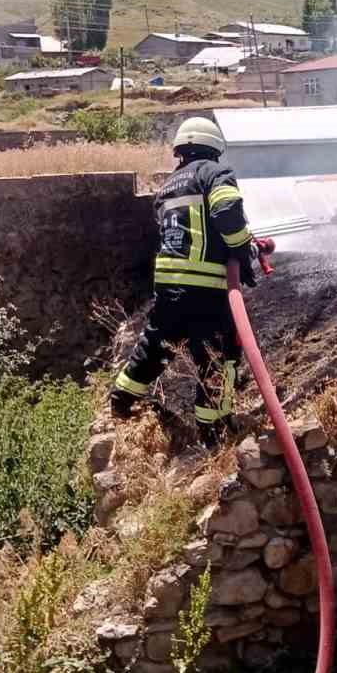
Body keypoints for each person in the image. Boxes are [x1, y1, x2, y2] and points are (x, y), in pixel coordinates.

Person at [111, 116, 256, 444]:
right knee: (217, 357)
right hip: (206, 288)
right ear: (215, 148)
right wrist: (241, 249)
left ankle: (121, 400)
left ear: (181, 150)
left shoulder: (167, 187)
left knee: (155, 346)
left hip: (168, 288)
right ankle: (213, 431)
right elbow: (226, 213)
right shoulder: (214, 173)